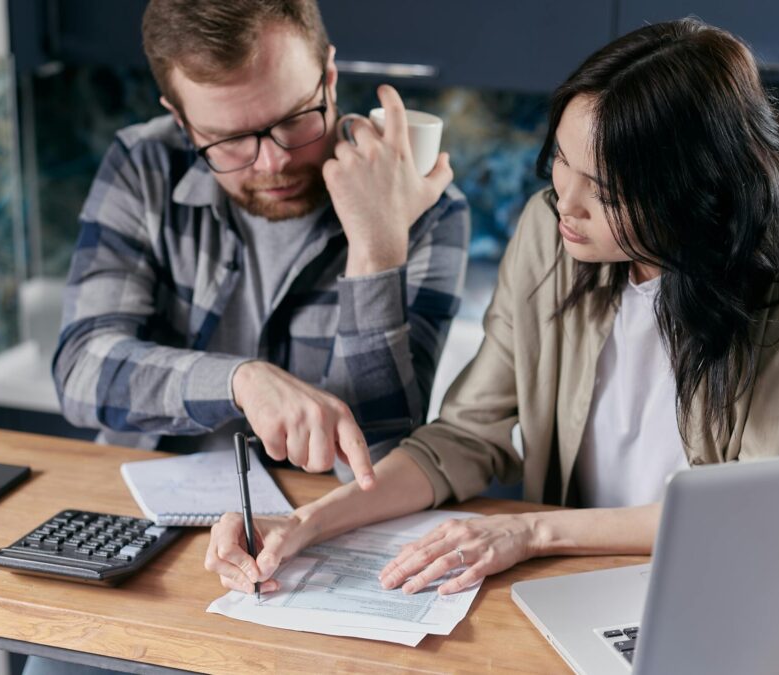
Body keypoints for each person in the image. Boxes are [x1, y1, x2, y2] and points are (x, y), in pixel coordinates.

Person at [205, 18, 779, 598]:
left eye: (603, 191)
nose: (564, 203)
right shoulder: (550, 232)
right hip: (571, 583)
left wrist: (533, 532)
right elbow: (462, 437)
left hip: (719, 589)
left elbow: (759, 512)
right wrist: (305, 524)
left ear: (690, 192)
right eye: (562, 165)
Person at [52, 0, 470, 488]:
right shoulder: (144, 165)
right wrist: (241, 382)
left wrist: (376, 252)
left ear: (329, 76)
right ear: (182, 121)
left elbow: (378, 465)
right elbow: (81, 370)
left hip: (321, 523)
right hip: (147, 502)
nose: (272, 163)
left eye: (294, 119)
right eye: (228, 140)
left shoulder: (426, 208)